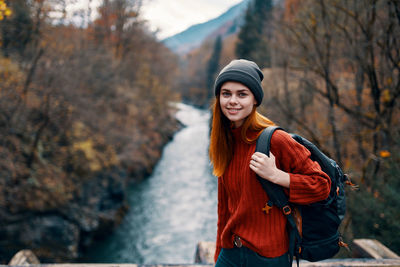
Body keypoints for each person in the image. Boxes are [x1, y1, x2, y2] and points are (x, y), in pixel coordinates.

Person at [209, 59, 331, 267]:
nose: (232, 101)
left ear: (255, 99)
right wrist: (220, 253)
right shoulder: (225, 141)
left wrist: (276, 175)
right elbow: (225, 207)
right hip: (231, 253)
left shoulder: (276, 140)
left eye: (242, 94)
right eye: (226, 93)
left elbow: (322, 186)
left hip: (268, 258)